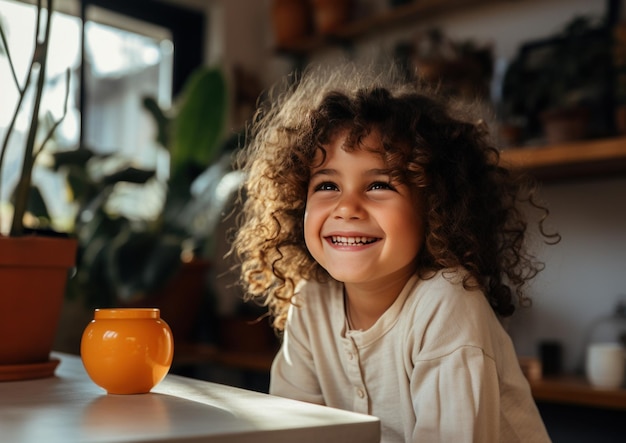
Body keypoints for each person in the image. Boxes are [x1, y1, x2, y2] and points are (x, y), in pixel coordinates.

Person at [231, 61, 559, 442]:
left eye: (378, 185)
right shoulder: (312, 303)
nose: (347, 207)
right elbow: (292, 434)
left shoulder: (446, 304)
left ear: (435, 209)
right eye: (326, 186)